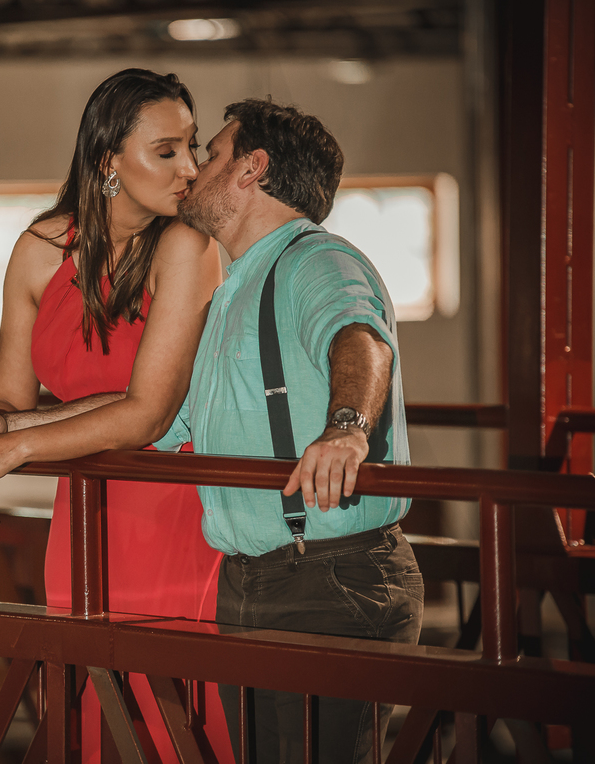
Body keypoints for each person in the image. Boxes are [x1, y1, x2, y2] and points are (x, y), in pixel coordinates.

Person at [0, 69, 232, 762]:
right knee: (94, 709)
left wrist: (7, 453)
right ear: (108, 162)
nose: (190, 168)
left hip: (175, 509)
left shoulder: (188, 247)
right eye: (168, 151)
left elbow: (150, 414)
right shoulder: (40, 249)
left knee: (173, 718)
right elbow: (8, 392)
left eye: (193, 146)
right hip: (83, 512)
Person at [159, 97, 424, 763]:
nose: (195, 168)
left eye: (212, 153)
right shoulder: (233, 289)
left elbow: (361, 342)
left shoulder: (318, 262)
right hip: (254, 580)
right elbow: (158, 420)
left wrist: (346, 431)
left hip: (330, 578)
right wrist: (23, 428)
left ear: (253, 169)